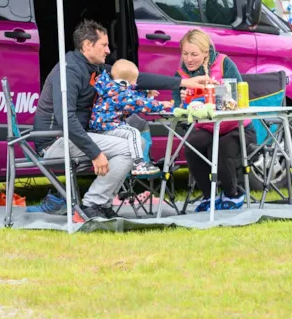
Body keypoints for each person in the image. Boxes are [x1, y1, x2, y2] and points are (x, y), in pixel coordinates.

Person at [30, 20, 213, 219]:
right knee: (128, 148)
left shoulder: (95, 68)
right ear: (87, 45)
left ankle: (102, 204)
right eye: (104, 45)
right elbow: (66, 119)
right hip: (55, 141)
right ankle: (92, 205)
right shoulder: (69, 71)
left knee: (137, 143)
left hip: (76, 138)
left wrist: (184, 82)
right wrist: (95, 153)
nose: (108, 50)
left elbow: (134, 78)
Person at [173, 28, 250, 212]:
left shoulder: (224, 63)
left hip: (235, 126)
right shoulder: (181, 76)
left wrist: (215, 92)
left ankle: (233, 194)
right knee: (192, 146)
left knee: (222, 147)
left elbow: (238, 98)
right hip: (207, 128)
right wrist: (183, 102)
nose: (188, 59)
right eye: (185, 54)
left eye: (194, 54)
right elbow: (178, 110)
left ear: (206, 53)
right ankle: (210, 196)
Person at [89, 59, 169, 178]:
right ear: (127, 81)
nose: (136, 83)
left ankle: (133, 164)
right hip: (108, 126)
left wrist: (147, 94)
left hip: (105, 125)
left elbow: (132, 96)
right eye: (135, 80)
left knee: (129, 131)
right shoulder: (119, 93)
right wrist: (161, 104)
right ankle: (138, 164)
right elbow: (137, 103)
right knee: (133, 132)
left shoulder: (113, 89)